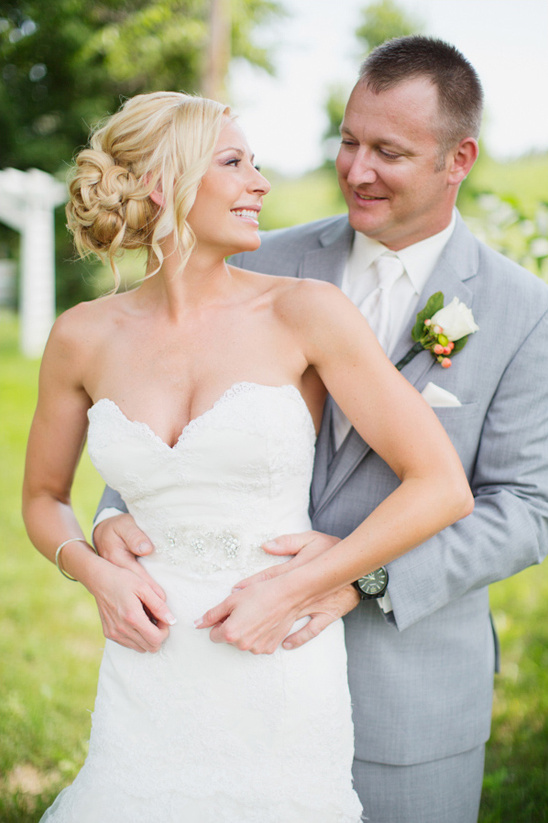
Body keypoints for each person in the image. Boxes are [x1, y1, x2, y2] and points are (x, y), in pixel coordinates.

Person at [94, 37, 548, 823]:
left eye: (389, 151)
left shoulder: (523, 311)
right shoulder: (254, 256)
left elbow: (526, 506)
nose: (356, 169)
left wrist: (361, 575)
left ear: (458, 159)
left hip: (406, 693)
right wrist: (109, 518)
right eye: (348, 141)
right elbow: (163, 401)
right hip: (228, 672)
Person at [22, 89, 472, 822]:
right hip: (147, 666)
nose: (260, 182)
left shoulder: (304, 311)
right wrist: (94, 569)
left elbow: (441, 485)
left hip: (279, 660)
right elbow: (43, 496)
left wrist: (298, 587)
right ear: (161, 184)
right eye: (234, 162)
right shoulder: (81, 335)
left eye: (256, 163)